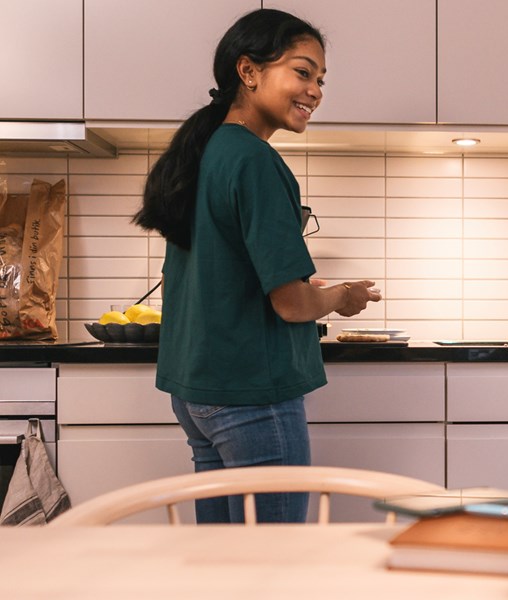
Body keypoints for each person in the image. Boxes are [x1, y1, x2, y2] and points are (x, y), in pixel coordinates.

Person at [132, 9, 381, 524]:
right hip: (251, 397)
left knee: (225, 563)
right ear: (249, 72)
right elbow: (292, 305)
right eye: (302, 71)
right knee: (273, 563)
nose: (315, 90)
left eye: (320, 79)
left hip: (198, 392)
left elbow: (229, 271)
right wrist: (340, 296)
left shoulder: (206, 152)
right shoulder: (256, 162)